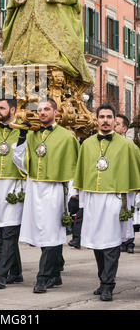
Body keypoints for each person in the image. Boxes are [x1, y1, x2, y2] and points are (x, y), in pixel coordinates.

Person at [73, 104, 140, 302]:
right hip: (93, 198)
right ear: (96, 120)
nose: (105, 120)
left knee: (110, 244)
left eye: (109, 117)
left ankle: (108, 285)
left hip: (114, 198)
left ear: (114, 120)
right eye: (101, 116)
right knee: (96, 243)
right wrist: (79, 196)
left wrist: (130, 195)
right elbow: (81, 169)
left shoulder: (127, 145)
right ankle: (103, 280)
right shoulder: (87, 144)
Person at [12, 98, 79, 293]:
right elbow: (20, 162)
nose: (42, 113)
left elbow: (74, 166)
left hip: (54, 189)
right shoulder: (32, 135)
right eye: (40, 110)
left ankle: (42, 277)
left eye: (47, 109)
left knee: (50, 232)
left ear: (55, 112)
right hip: (35, 187)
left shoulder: (67, 137)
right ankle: (55, 274)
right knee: (42, 233)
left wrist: (73, 195)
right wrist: (22, 137)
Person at [0, 98, 26, 290]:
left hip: (15, 185)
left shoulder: (23, 130)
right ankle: (16, 273)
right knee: (2, 230)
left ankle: (2, 275)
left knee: (9, 231)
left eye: (2, 108)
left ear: (12, 109)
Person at [115, 114, 135, 254]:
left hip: (126, 185)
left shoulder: (130, 146)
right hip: (111, 186)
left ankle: (128, 241)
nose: (113, 126)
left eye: (116, 124)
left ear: (124, 128)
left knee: (127, 212)